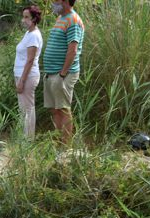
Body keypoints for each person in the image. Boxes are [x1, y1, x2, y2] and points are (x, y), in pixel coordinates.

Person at [41, 0, 84, 144]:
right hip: (52, 73)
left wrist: (62, 74)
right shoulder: (61, 18)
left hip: (63, 74)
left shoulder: (73, 20)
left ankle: (66, 147)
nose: (53, 2)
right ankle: (58, 143)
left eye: (55, 0)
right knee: (55, 109)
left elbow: (72, 50)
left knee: (64, 109)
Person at [14, 5, 43, 139]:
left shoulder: (34, 36)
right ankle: (24, 137)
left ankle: (27, 139)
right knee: (24, 108)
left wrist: (22, 81)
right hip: (22, 75)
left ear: (34, 19)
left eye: (27, 17)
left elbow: (30, 60)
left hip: (28, 77)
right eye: (23, 16)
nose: (23, 20)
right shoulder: (29, 33)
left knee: (28, 108)